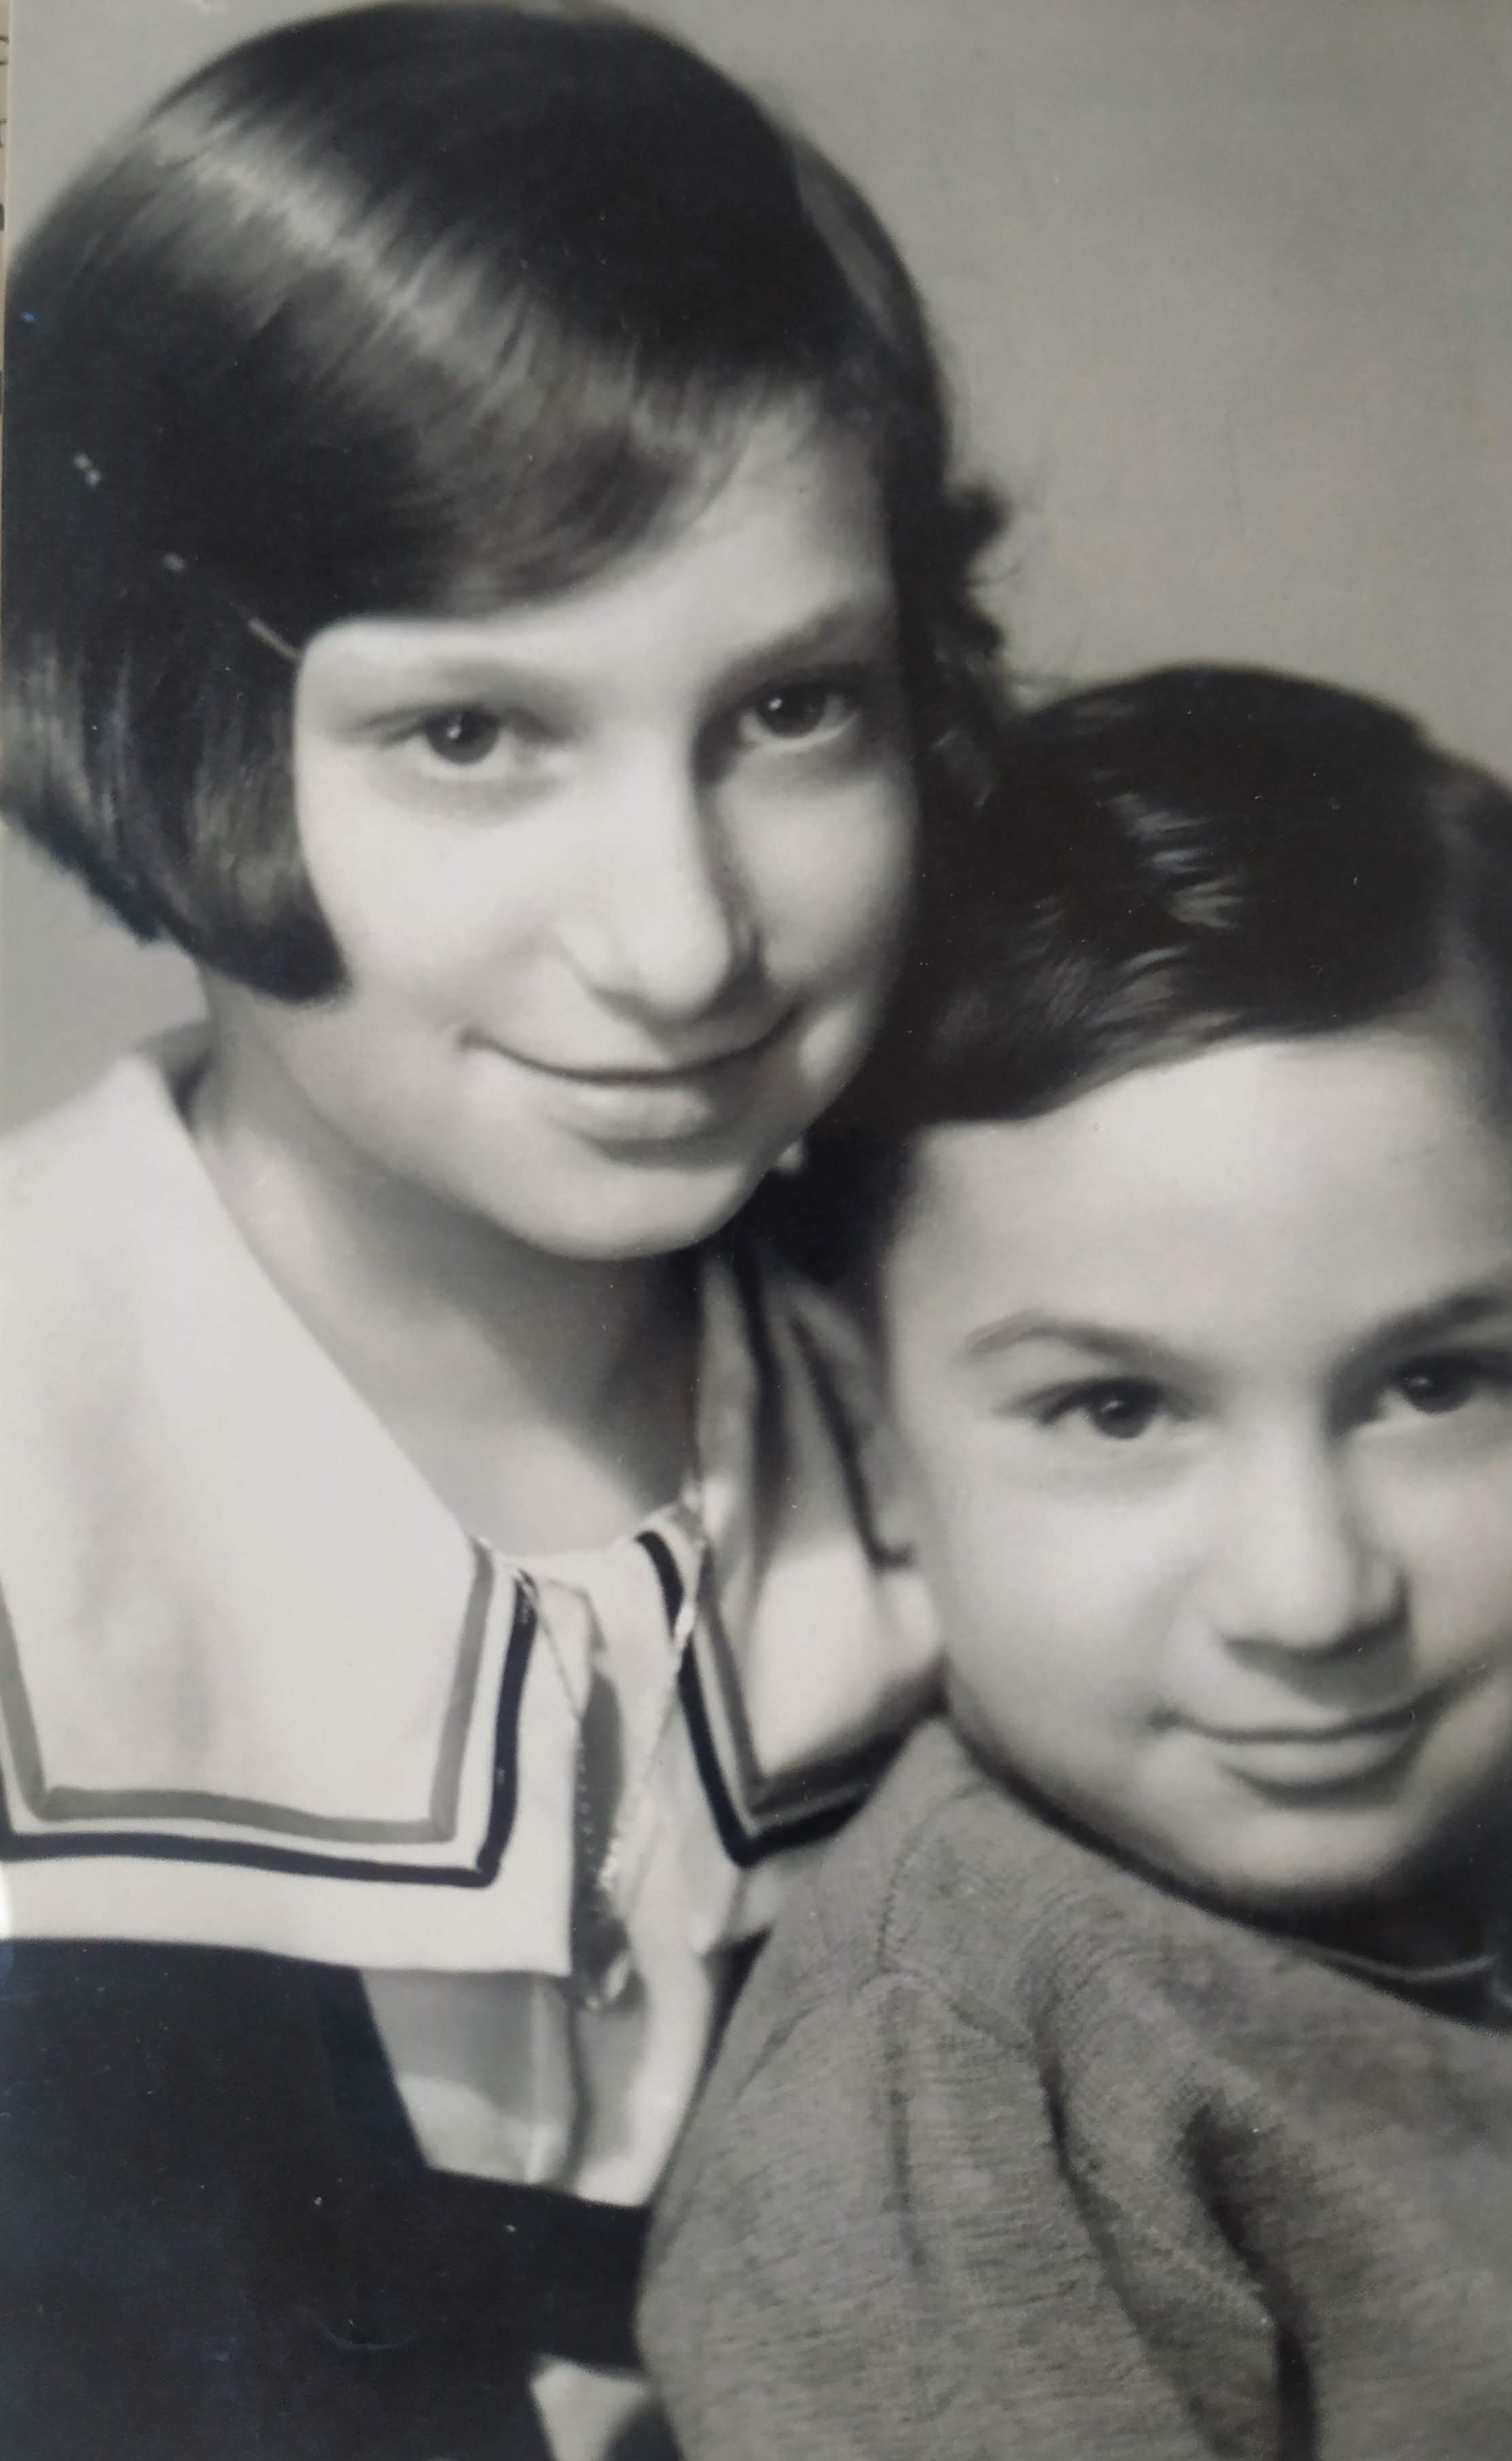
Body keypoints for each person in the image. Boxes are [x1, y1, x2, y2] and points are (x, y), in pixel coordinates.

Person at [0, 7, 1001, 2455]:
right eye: (471, 733)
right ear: (157, 727)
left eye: (793, 710)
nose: (678, 939)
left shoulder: (1012, 1405)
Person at [641, 668, 1512, 2460]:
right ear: (868, 1427)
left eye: (1434, 1383)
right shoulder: (956, 2104)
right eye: (1115, 1409)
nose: (1309, 1597)